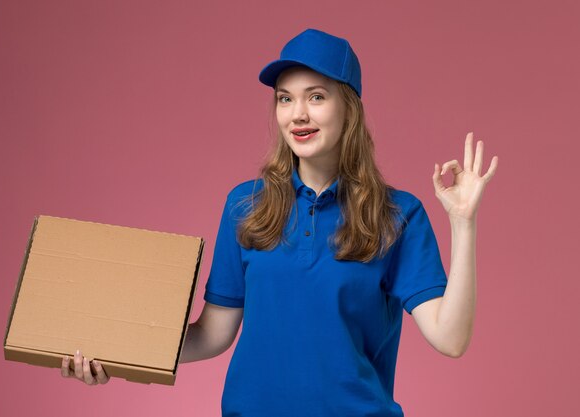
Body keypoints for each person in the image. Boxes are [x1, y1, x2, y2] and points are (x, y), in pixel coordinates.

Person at [61, 28, 498, 416]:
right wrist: (117, 354)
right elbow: (212, 335)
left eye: (316, 96)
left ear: (349, 108)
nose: (297, 114)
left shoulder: (396, 215)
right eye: (285, 99)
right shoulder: (245, 206)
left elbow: (451, 338)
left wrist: (463, 223)